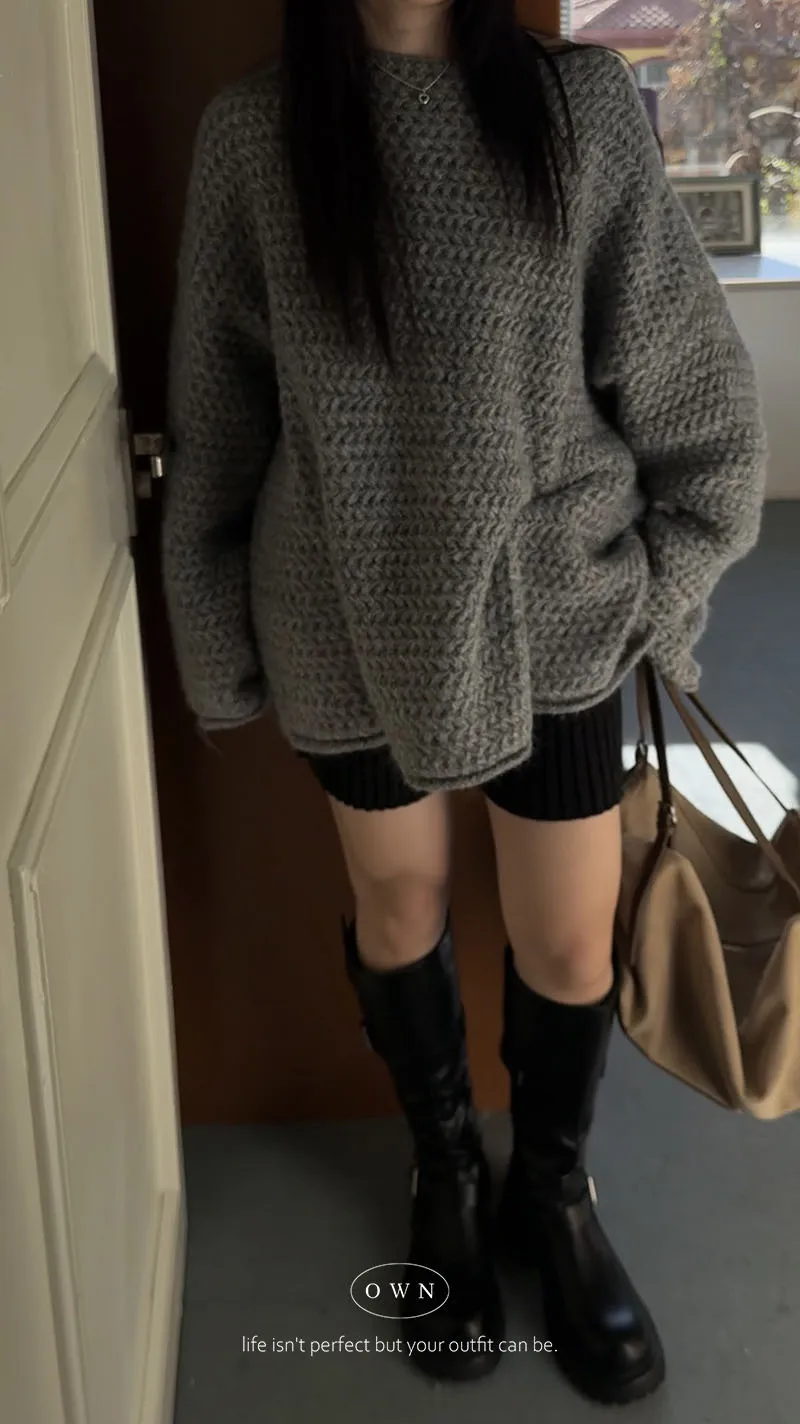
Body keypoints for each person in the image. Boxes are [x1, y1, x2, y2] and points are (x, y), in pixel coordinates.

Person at [161, 0, 767, 1404]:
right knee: (400, 907)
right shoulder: (255, 136)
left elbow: (684, 367)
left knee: (568, 937)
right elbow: (220, 407)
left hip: (551, 607)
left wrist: (667, 576)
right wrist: (213, 627)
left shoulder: (578, 108)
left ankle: (552, 1192)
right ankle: (444, 1165)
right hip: (341, 612)